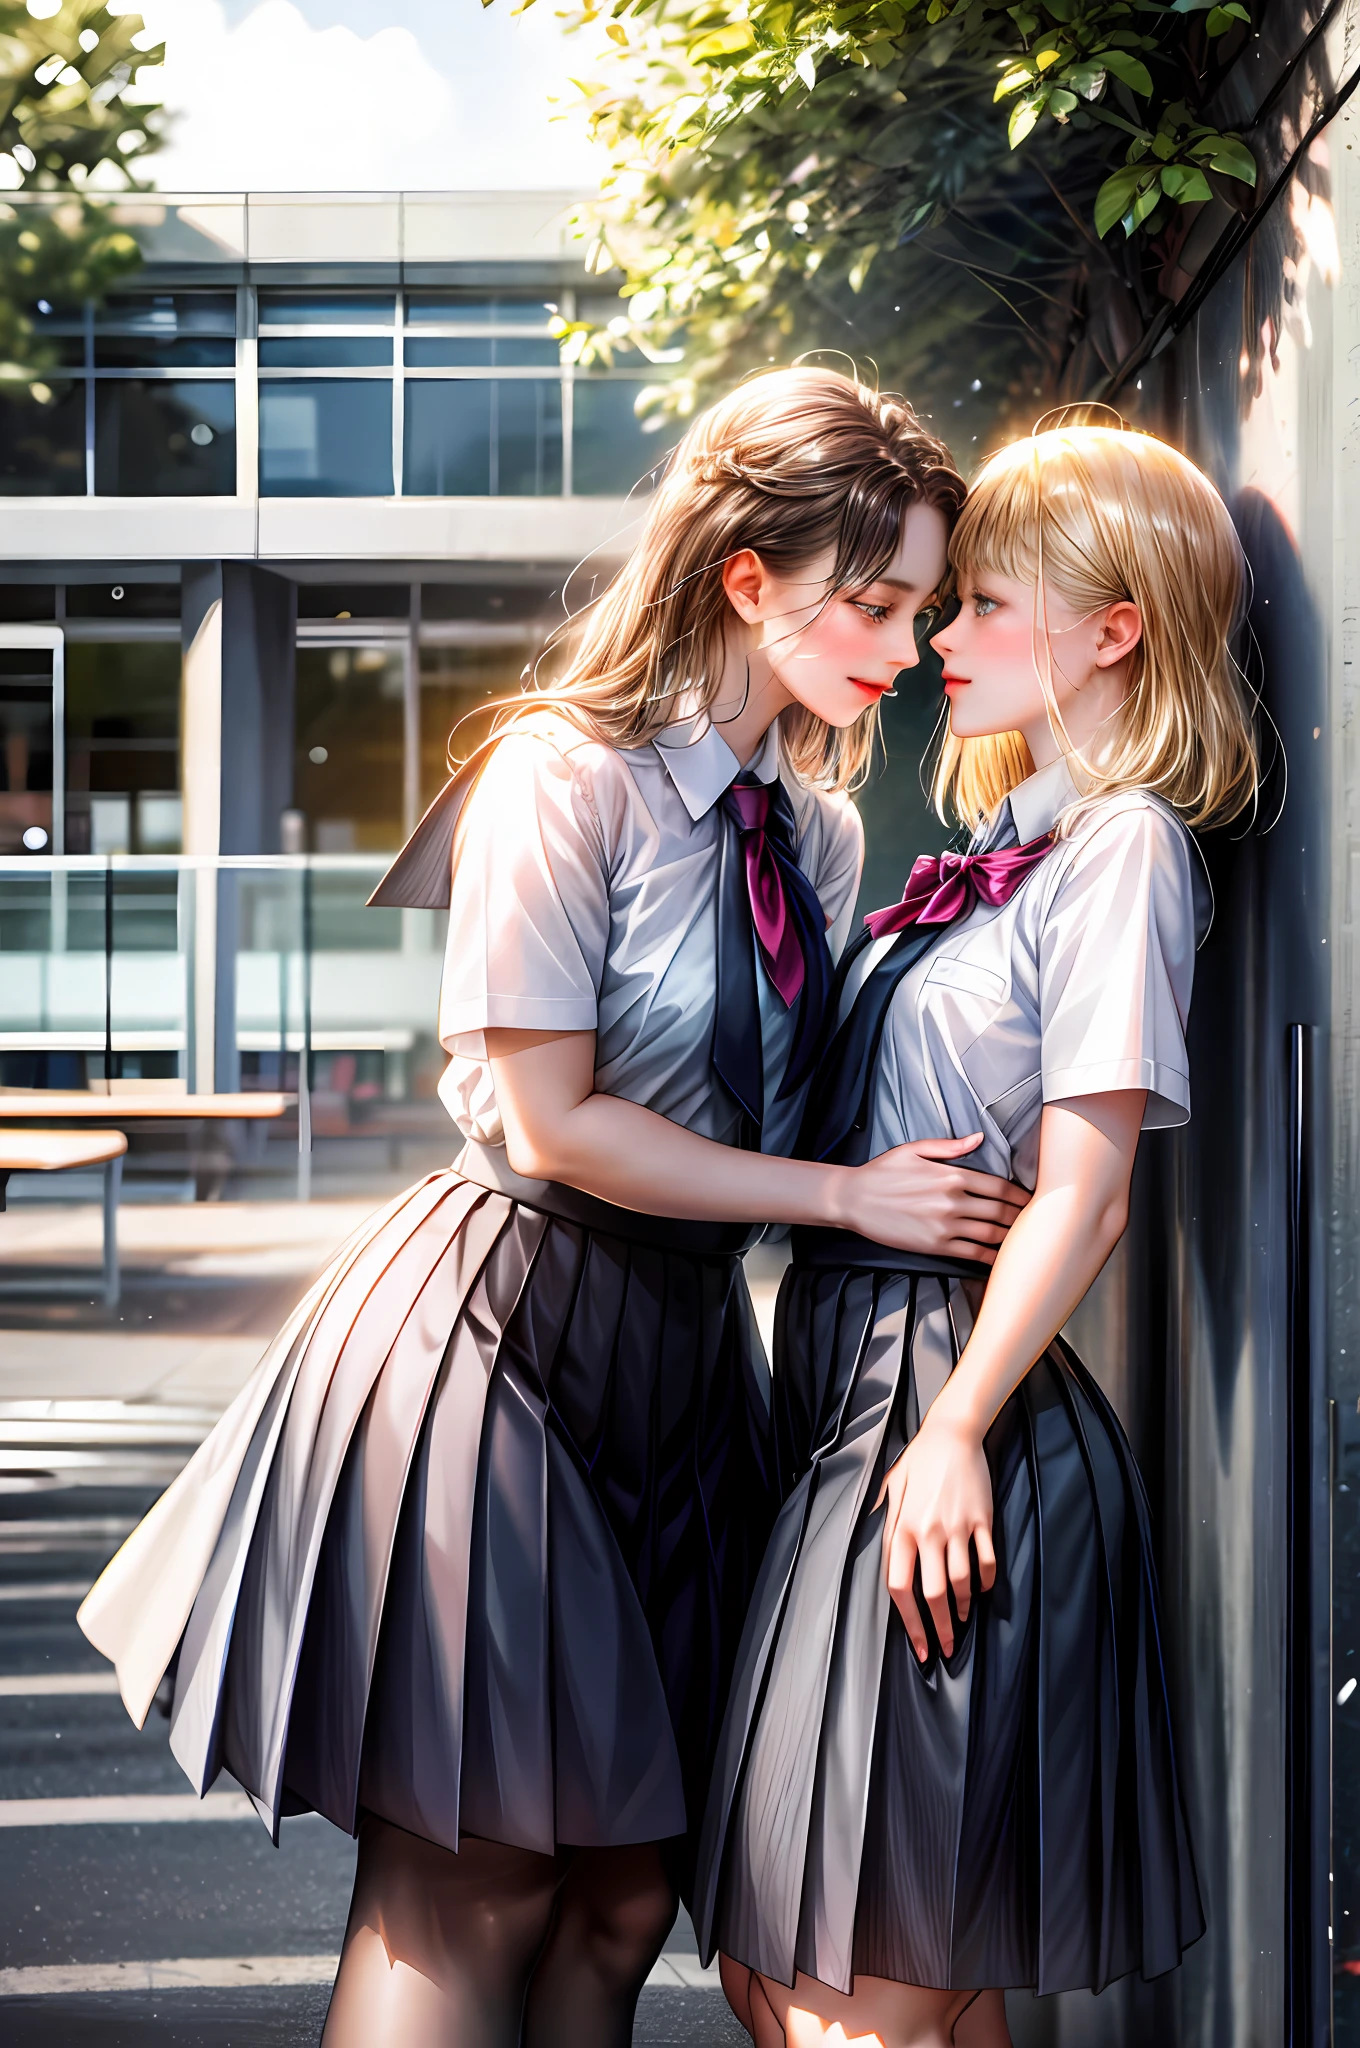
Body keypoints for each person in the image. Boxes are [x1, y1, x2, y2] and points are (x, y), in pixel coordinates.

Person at [77, 368, 1029, 2048]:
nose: (904, 645)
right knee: (484, 1867)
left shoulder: (807, 828)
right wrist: (845, 1195)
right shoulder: (558, 778)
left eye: (922, 607)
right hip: (492, 1331)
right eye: (872, 602)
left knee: (624, 1890)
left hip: (675, 1351)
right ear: (750, 577)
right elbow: (548, 1114)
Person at [695, 421, 1259, 2048]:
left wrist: (950, 1428)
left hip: (956, 1410)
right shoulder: (1014, 848)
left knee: (853, 1980)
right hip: (858, 1397)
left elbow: (1086, 1185)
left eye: (985, 603)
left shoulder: (1124, 847)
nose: (943, 637)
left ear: (1113, 628)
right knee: (850, 1961)